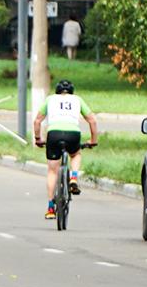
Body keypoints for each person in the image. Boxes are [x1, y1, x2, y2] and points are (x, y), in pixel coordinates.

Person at [33, 79, 102, 220]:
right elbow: (92, 120)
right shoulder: (77, 100)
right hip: (73, 134)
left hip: (54, 134)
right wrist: (93, 140)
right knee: (75, 154)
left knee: (52, 170)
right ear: (71, 91)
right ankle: (74, 178)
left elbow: (37, 121)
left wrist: (38, 138)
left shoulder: (50, 99)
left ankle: (51, 208)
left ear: (57, 91)